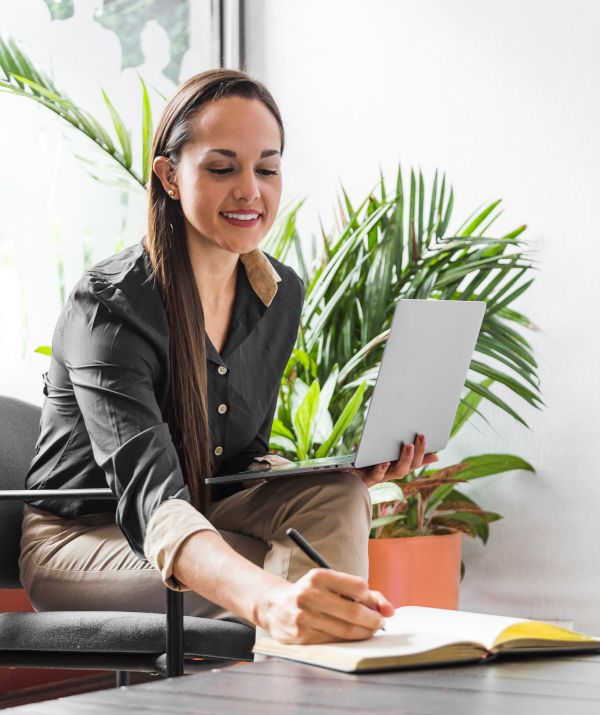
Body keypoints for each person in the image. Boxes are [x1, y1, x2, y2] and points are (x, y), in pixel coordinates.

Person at [20, 69, 438, 645]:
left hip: (203, 506)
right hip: (83, 540)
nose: (250, 191)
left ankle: (310, 687)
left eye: (267, 168)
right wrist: (269, 600)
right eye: (222, 168)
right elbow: (153, 501)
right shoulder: (110, 308)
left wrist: (336, 472)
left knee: (339, 497)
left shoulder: (278, 295)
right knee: (263, 567)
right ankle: (300, 677)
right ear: (168, 175)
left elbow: (239, 460)